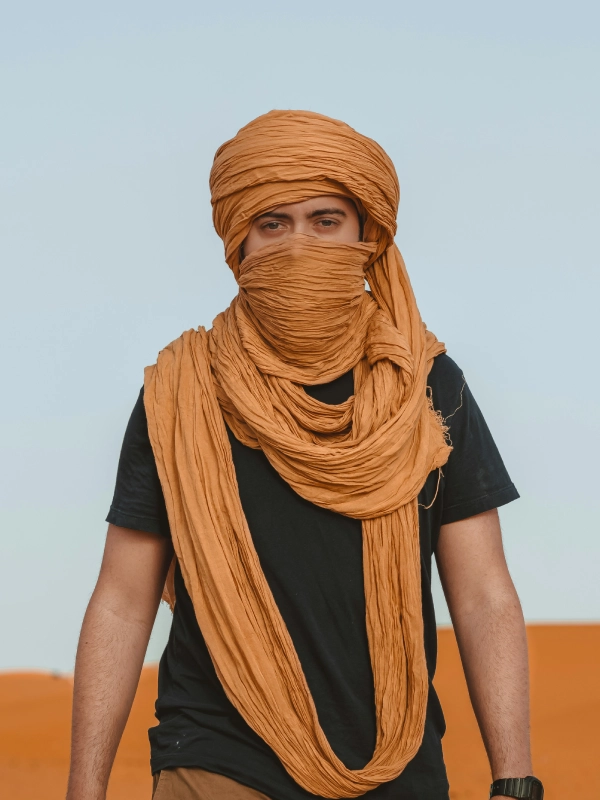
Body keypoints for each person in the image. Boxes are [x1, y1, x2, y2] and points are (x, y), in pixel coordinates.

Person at [66, 111, 542, 800]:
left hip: (394, 763)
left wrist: (515, 777)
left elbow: (482, 591)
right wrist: (86, 790)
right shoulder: (182, 395)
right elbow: (122, 599)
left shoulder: (426, 387)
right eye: (273, 222)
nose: (299, 244)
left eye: (325, 220)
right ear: (241, 242)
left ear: (364, 234)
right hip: (216, 758)